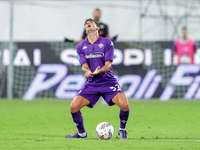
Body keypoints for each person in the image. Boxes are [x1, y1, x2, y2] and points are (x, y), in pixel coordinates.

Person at [65, 18, 129, 139]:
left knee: (124, 105)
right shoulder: (80, 47)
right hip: (92, 84)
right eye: (86, 24)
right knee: (73, 107)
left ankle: (122, 129)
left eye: (90, 23)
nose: (88, 24)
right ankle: (82, 133)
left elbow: (108, 65)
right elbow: (84, 65)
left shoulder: (107, 43)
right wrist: (87, 71)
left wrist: (99, 70)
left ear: (97, 27)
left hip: (108, 82)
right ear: (85, 29)